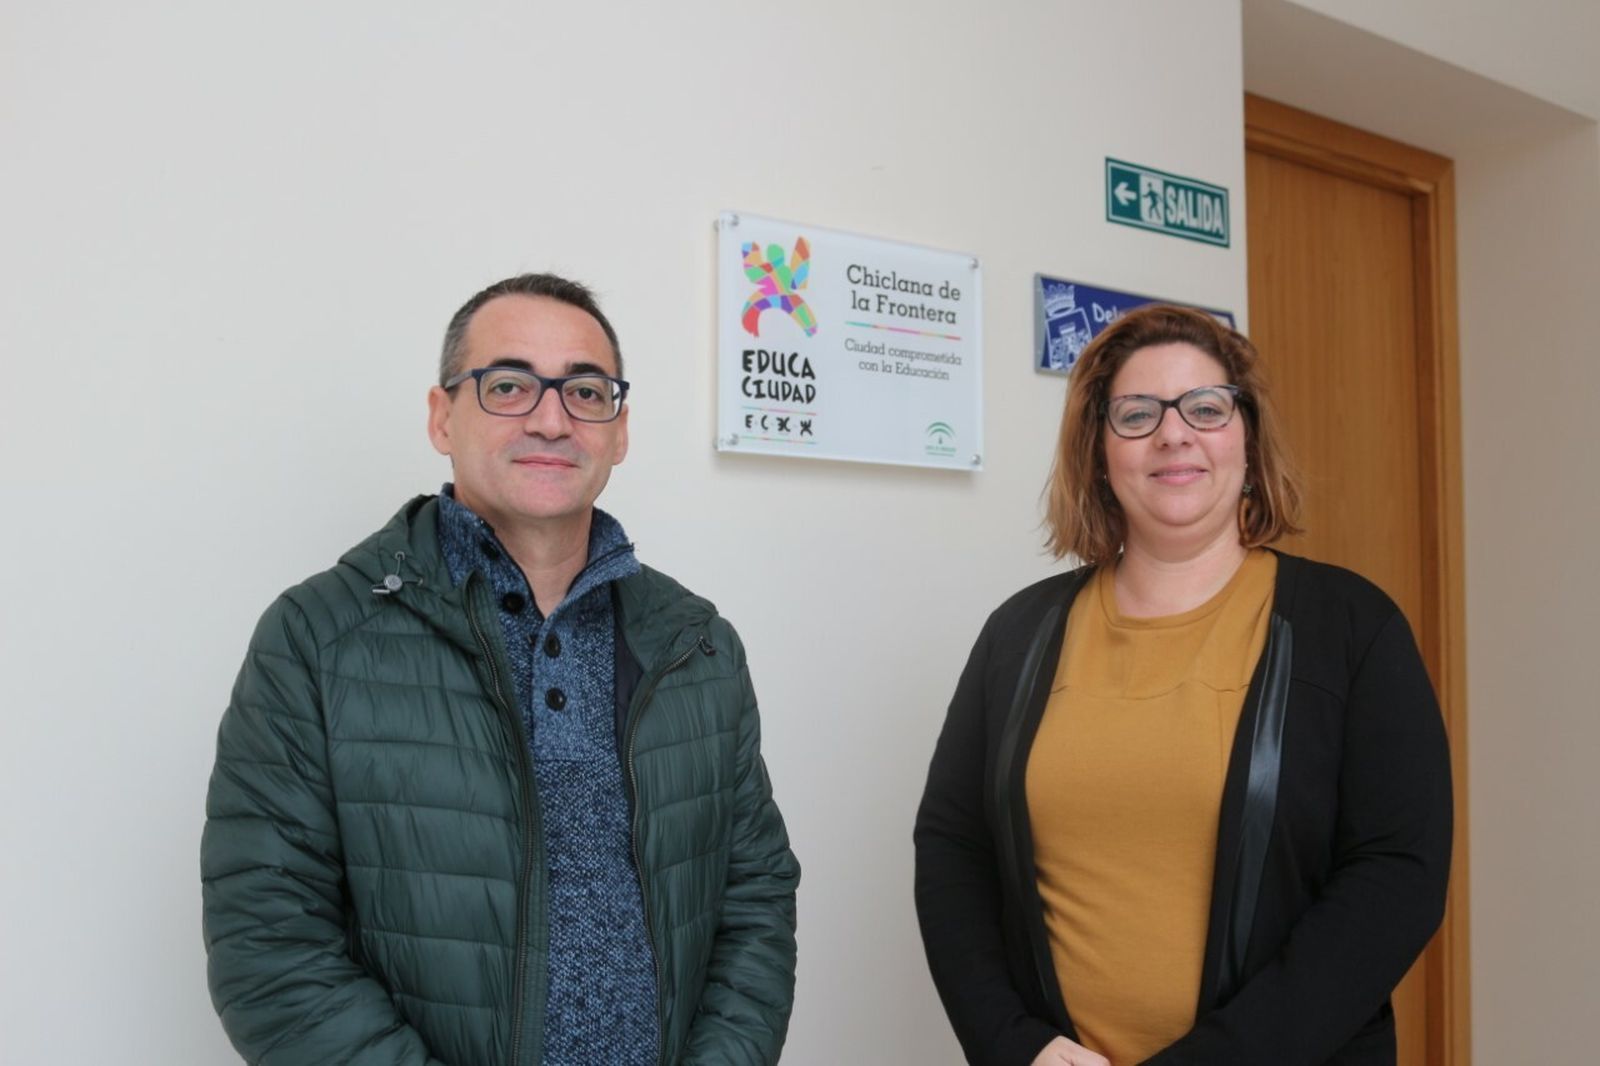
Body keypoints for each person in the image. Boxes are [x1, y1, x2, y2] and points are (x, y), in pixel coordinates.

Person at [202, 273, 800, 1065]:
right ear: (441, 416)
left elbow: (753, 900)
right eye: (510, 385)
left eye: (586, 391)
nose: (552, 419)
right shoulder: (317, 637)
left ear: (618, 431)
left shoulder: (696, 642)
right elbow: (268, 938)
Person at [913, 305, 1452, 1066]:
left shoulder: (1352, 629)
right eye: (1138, 414)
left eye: (1206, 407)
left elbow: (1399, 875)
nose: (1175, 434)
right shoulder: (1018, 634)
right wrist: (1015, 1045)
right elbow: (952, 848)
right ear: (1099, 453)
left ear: (1248, 437)